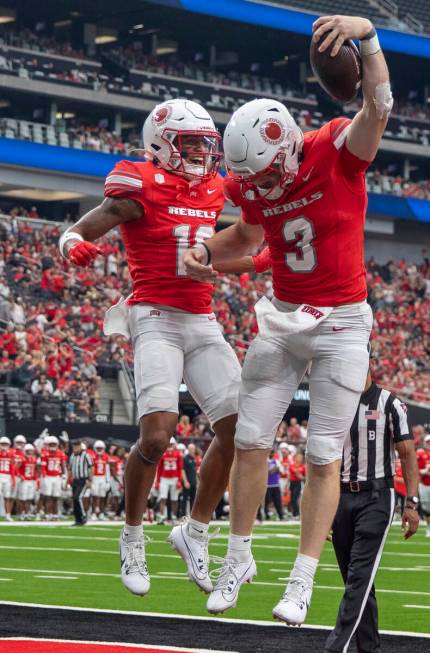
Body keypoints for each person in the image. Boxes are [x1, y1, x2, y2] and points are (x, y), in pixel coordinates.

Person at [184, 15, 393, 622]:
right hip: (281, 316)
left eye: (267, 172)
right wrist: (205, 251)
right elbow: (248, 231)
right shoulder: (256, 183)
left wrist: (371, 38)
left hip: (342, 322)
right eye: (252, 178)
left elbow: (377, 106)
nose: (262, 186)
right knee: (250, 440)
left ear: (287, 142)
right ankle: (238, 556)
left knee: (323, 455)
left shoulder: (334, 149)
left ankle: (302, 580)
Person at [58, 98, 242, 597]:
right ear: (162, 143)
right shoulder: (139, 184)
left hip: (201, 317)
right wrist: (71, 243)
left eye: (208, 143)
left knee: (240, 435)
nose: (203, 153)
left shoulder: (215, 186)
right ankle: (132, 535)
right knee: (157, 438)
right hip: (154, 315)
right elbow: (80, 228)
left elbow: (250, 220)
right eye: (192, 144)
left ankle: (195, 530)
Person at [324, 369, 419, 652]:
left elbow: (407, 453)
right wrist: (323, 509)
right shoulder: (336, 401)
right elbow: (324, 459)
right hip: (340, 495)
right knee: (356, 580)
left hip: (376, 496)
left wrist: (411, 503)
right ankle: (370, 648)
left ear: (368, 363)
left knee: (359, 575)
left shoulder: (390, 403)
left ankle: (335, 646)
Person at [155, 437, 182, 524]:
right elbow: (159, 469)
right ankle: (162, 517)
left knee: (174, 499)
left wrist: (179, 480)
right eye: (169, 444)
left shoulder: (178, 454)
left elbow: (180, 468)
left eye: (171, 444)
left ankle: (174, 517)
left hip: (174, 478)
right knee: (163, 498)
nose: (170, 446)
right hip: (164, 478)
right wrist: (158, 481)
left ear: (174, 444)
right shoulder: (162, 454)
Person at [68, 440, 94, 526]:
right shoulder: (72, 456)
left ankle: (83, 516)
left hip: (84, 480)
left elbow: (91, 468)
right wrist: (67, 481)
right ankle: (77, 519)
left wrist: (90, 480)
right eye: (74, 447)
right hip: (75, 480)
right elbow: (70, 469)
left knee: (78, 497)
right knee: (74, 499)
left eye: (76, 446)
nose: (75, 448)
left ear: (80, 447)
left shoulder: (86, 455)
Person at [417, 433, 430, 538]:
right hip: (424, 484)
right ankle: (428, 528)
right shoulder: (420, 453)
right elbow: (414, 469)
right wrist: (423, 471)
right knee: (426, 508)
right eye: (428, 442)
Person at [181, 443, 199, 515]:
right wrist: (185, 481)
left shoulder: (195, 459)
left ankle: (192, 515)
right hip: (188, 482)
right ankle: (182, 515)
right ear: (188, 449)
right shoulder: (185, 458)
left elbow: (195, 472)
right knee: (185, 499)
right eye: (190, 449)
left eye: (193, 449)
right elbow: (183, 470)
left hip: (194, 482)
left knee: (193, 499)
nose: (192, 450)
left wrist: (197, 482)